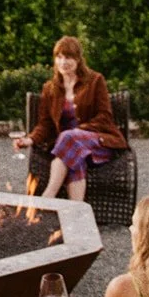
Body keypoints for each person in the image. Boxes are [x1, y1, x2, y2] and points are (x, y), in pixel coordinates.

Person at [13, 35, 126, 203]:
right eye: (59, 57)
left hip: (98, 142)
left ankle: (48, 197)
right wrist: (30, 139)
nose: (63, 62)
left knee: (69, 138)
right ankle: (77, 213)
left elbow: (105, 117)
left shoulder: (95, 81)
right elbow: (46, 124)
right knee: (74, 157)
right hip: (71, 148)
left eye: (68, 57)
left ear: (78, 59)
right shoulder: (50, 88)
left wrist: (79, 131)